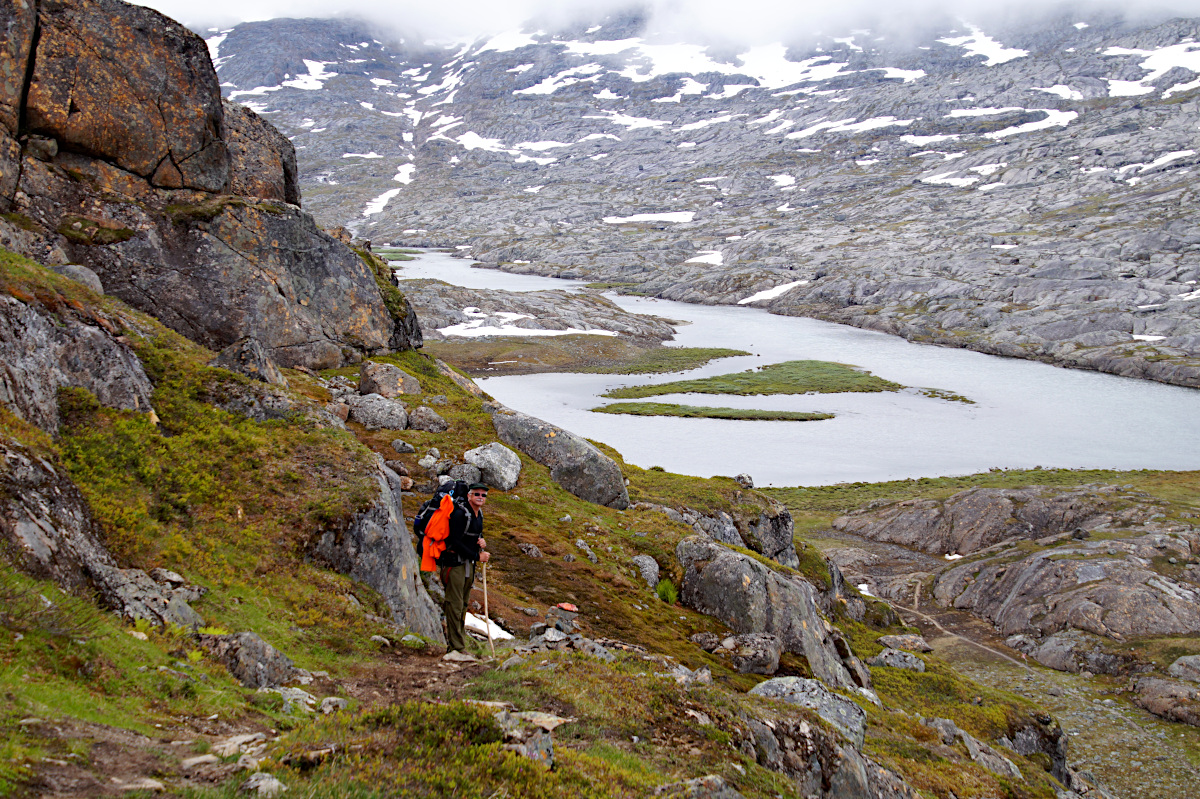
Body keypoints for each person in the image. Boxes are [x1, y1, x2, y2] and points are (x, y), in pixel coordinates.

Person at [439, 482, 490, 653]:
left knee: (462, 605)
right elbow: (454, 541)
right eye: (477, 494)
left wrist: (480, 542)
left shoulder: (478, 514)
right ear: (469, 495)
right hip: (454, 565)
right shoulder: (460, 514)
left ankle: (458, 644)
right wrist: (477, 556)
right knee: (454, 605)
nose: (480, 498)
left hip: (468, 565)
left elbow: (471, 537)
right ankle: (456, 647)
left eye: (483, 495)